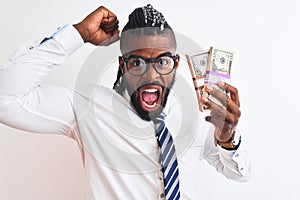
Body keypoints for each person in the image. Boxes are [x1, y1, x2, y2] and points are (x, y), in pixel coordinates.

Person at [0, 4, 250, 200]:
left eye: (162, 61)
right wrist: (78, 34)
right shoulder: (88, 108)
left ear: (176, 65)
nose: (151, 75)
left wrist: (227, 138)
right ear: (123, 65)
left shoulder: (196, 114)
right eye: (137, 63)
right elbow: (5, 99)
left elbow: (239, 173)